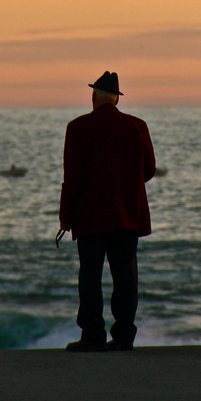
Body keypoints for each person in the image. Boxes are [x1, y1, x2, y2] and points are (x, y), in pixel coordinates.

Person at [58, 71, 156, 352]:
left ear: (93, 97)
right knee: (125, 278)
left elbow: (72, 179)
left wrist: (66, 217)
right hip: (128, 216)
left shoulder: (77, 127)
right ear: (116, 99)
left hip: (90, 218)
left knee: (90, 278)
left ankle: (92, 336)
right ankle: (123, 337)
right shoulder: (138, 126)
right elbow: (148, 171)